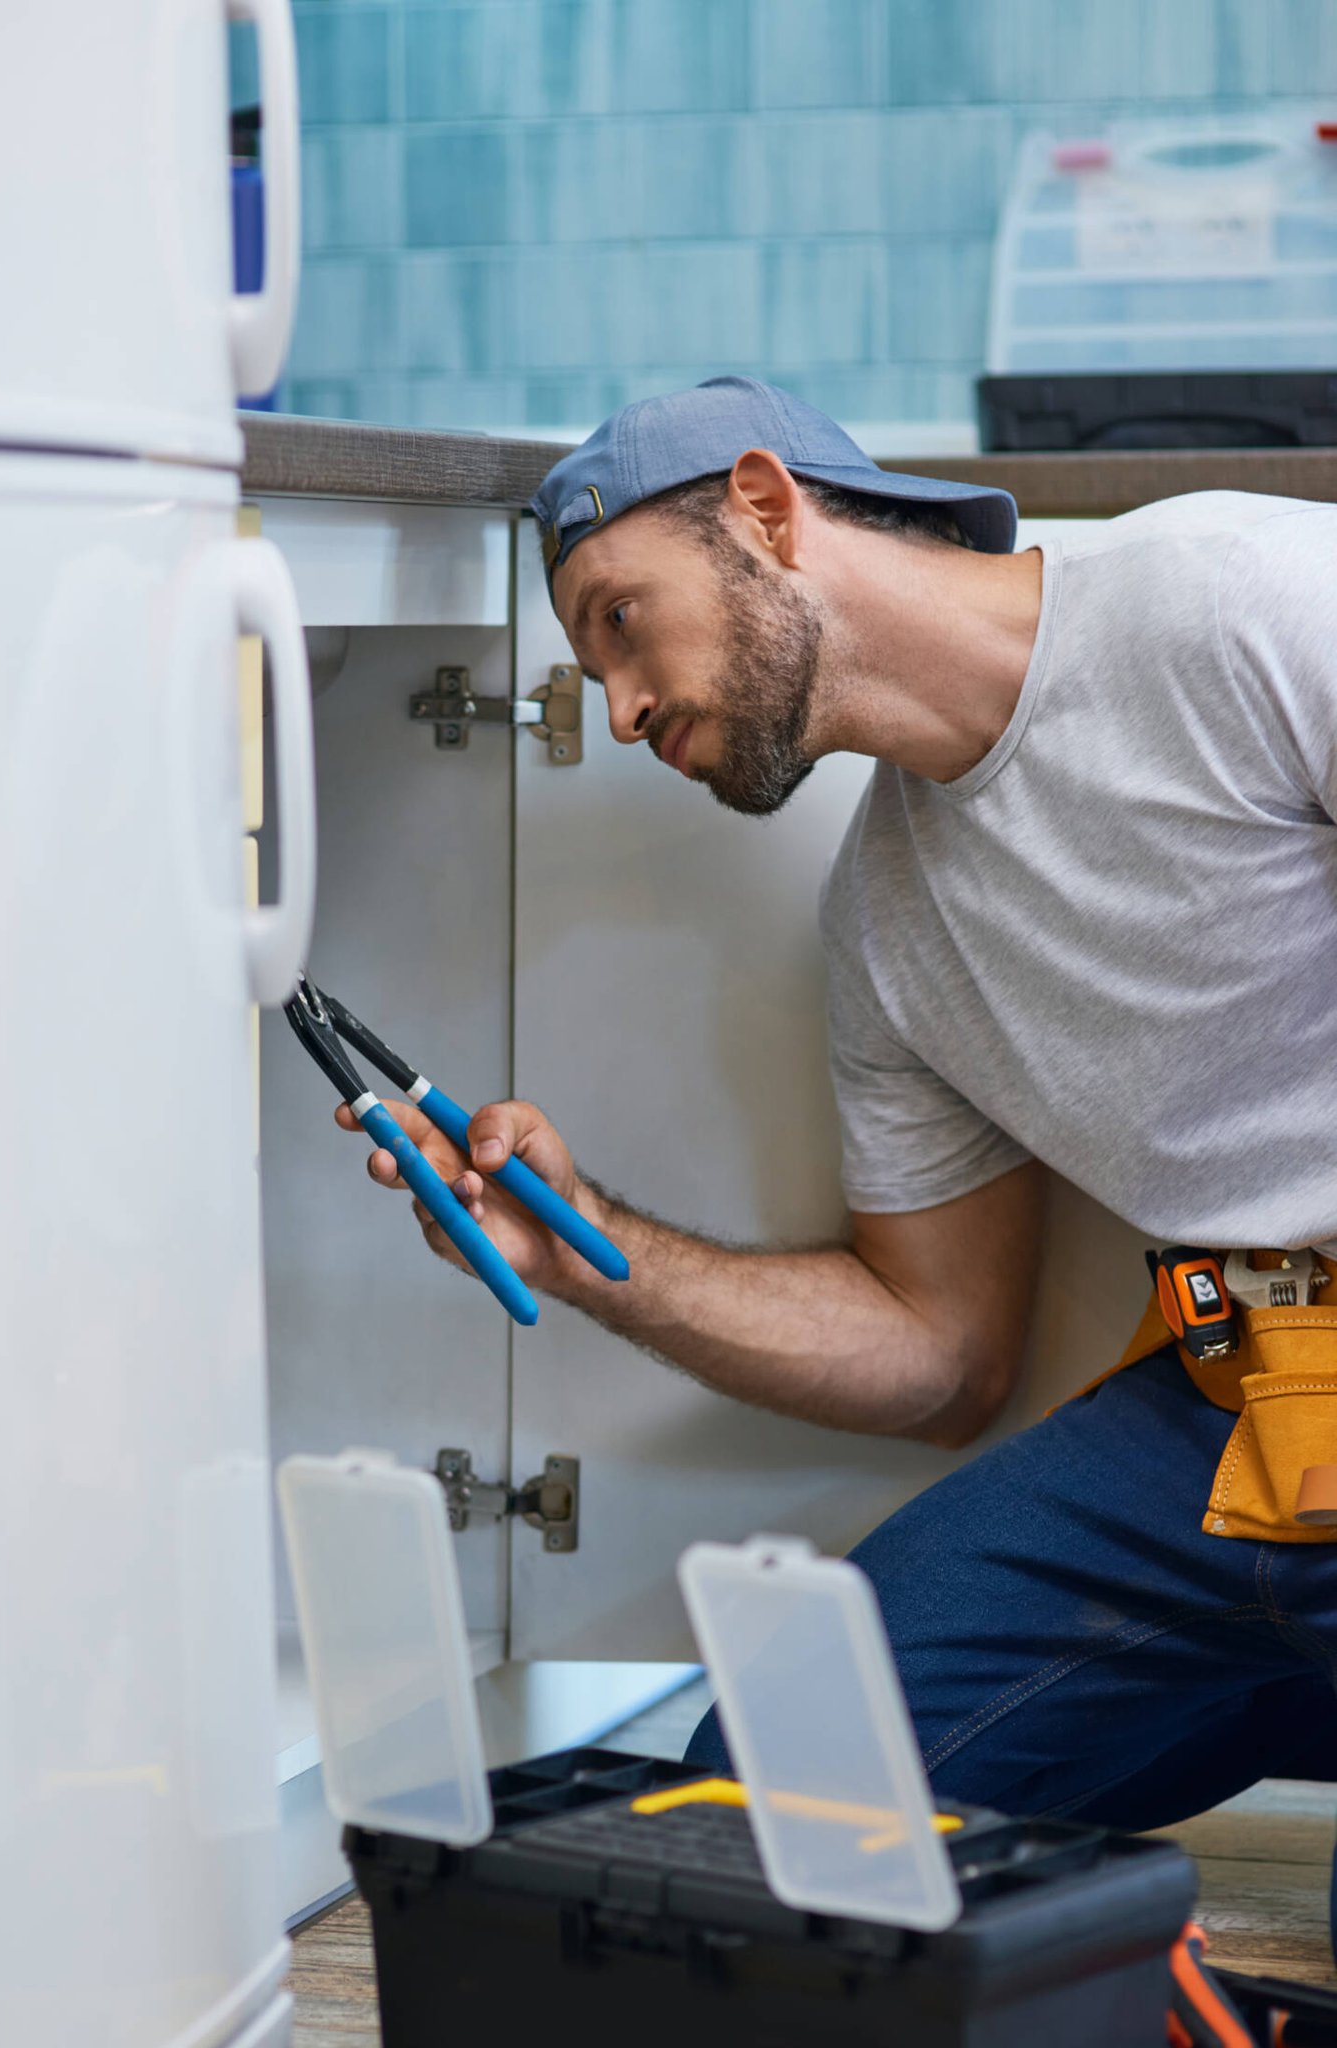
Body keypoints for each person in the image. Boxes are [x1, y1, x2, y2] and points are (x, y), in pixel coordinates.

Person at [338, 375, 1337, 1944]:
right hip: (1237, 1415)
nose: (616, 707)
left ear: (762, 506)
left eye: (618, 619)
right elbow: (939, 1356)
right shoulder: (890, 932)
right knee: (783, 1782)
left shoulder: (1241, 606)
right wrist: (580, 1242)